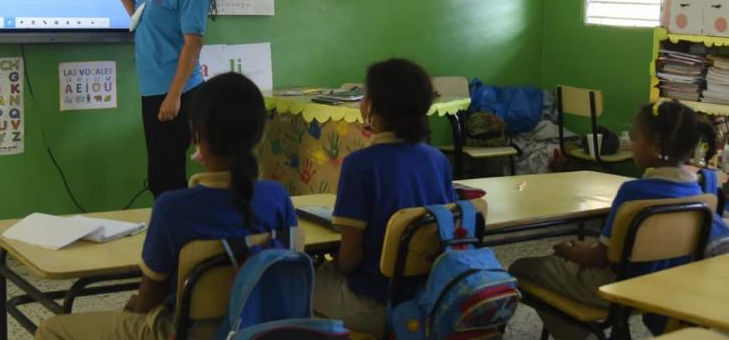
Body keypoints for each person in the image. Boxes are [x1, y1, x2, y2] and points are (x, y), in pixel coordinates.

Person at [35, 72, 297, 340]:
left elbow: (149, 298)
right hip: (262, 331)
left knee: (51, 330)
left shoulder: (173, 208)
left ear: (195, 134)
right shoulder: (278, 198)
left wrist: (134, 306)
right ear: (261, 134)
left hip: (185, 334)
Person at [510, 100, 729, 339]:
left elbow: (599, 258)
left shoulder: (634, 192)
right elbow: (623, 246)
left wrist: (566, 251)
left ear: (656, 147)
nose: (631, 144)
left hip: (618, 286)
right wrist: (593, 247)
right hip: (662, 285)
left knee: (521, 268)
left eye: (635, 137)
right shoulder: (700, 195)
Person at [312, 59, 456, 337]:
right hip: (429, 297)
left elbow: (349, 260)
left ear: (371, 106)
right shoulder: (438, 160)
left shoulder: (360, 165)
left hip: (374, 305)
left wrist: (334, 267)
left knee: (301, 279)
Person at [107, 0, 216, 198]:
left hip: (175, 92)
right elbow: (140, 20)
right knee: (160, 173)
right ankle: (171, 233)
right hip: (155, 90)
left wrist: (174, 95)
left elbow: (193, 43)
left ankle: (176, 237)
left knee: (166, 175)